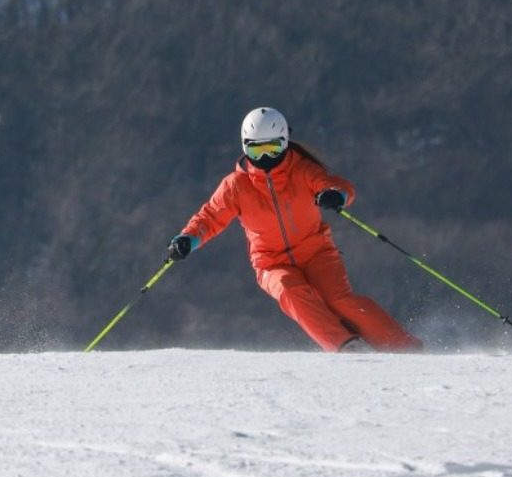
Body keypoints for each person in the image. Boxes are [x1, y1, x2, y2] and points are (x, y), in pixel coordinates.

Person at [168, 107, 423, 353]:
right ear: (245, 147)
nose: (266, 158)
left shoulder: (301, 170)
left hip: (317, 252)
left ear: (285, 142)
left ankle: (403, 347)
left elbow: (334, 185)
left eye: (273, 148)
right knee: (291, 292)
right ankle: (346, 347)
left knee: (340, 301)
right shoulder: (236, 185)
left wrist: (335, 195)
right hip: (271, 262)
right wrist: (188, 239)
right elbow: (210, 216)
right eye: (257, 149)